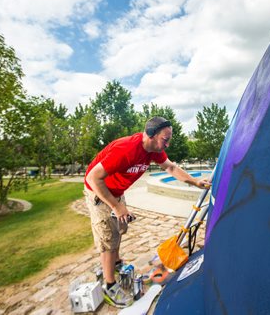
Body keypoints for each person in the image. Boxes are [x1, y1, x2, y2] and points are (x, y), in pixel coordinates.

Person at [84, 116, 210, 308]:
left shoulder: (153, 150)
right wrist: (116, 206)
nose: (167, 144)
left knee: (118, 230)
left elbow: (170, 167)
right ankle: (109, 285)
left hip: (115, 192)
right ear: (151, 135)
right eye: (165, 139)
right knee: (108, 238)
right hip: (99, 192)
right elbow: (93, 178)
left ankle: (116, 264)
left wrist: (195, 182)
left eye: (169, 140)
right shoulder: (126, 149)